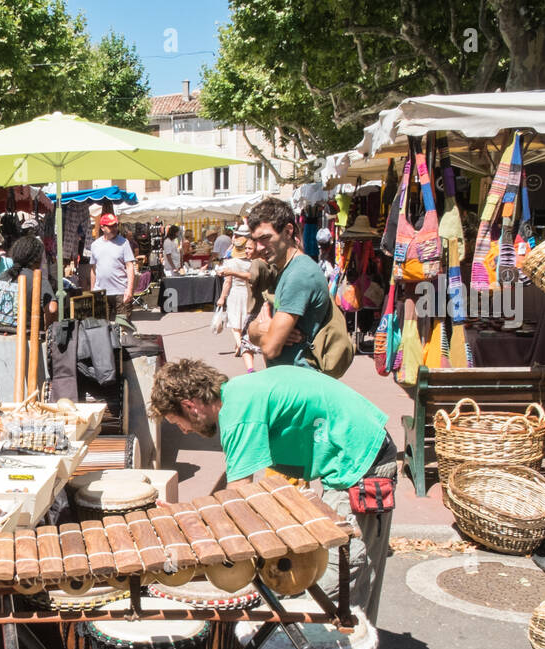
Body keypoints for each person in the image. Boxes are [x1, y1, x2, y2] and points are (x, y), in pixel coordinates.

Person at [150, 359, 396, 624]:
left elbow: (237, 496)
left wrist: (191, 528)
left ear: (190, 406)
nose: (184, 430)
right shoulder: (240, 393)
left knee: (336, 575)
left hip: (360, 464)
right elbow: (234, 475)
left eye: (177, 423)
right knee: (356, 574)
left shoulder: (239, 412)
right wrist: (196, 513)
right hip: (360, 454)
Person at [245, 198, 331, 369]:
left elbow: (270, 349)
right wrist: (260, 329)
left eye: (265, 238)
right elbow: (253, 333)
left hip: (299, 382)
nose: (259, 247)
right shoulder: (286, 269)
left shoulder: (299, 274)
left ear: (288, 231)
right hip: (289, 379)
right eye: (256, 240)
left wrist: (262, 330)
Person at [217, 228, 268, 370]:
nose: (247, 251)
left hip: (251, 302)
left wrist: (231, 273)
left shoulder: (256, 263)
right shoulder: (253, 263)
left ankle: (251, 367)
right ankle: (253, 369)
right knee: (253, 338)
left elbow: (251, 277)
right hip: (250, 299)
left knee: (241, 331)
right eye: (245, 248)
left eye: (250, 248)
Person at [0, 236, 58, 328]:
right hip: (29, 339)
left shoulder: (1, 277)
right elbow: (52, 310)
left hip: (1, 334)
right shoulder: (37, 279)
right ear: (37, 258)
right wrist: (49, 331)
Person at [88, 213, 136, 315]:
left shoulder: (124, 243)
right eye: (110, 226)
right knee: (102, 327)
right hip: (101, 292)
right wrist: (93, 290)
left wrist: (129, 290)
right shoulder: (95, 245)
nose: (114, 228)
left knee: (123, 325)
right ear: (102, 227)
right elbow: (93, 269)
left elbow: (130, 266)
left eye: (115, 225)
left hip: (120, 291)